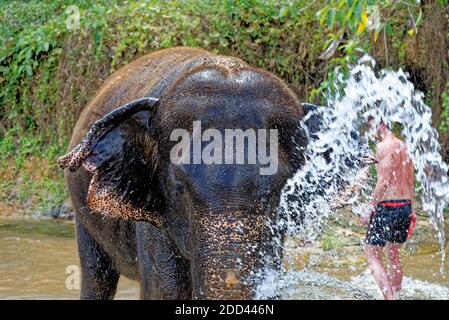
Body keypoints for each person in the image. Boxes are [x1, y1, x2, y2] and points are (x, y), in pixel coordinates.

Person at [360, 118, 416, 300]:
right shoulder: (404, 146)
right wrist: (412, 210)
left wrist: (370, 208)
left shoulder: (383, 147)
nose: (372, 132)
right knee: (393, 253)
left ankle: (390, 298)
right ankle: (397, 293)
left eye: (371, 126)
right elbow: (410, 181)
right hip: (405, 206)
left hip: (388, 207)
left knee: (371, 253)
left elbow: (383, 182)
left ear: (380, 124)